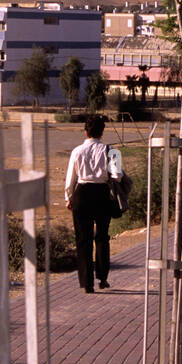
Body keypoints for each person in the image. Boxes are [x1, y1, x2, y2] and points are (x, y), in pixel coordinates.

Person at [65, 113, 122, 292]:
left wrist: (68, 198)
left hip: (81, 194)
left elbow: (70, 179)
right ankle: (103, 278)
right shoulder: (112, 151)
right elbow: (117, 176)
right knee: (102, 237)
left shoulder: (76, 151)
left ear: (85, 131)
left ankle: (86, 283)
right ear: (102, 132)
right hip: (102, 194)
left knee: (83, 239)